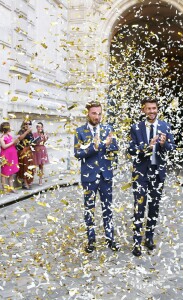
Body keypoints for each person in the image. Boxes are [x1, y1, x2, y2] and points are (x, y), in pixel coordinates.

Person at [128, 98, 175, 257]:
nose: (152, 111)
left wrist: (163, 144)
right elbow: (131, 150)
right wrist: (146, 147)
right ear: (143, 110)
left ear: (157, 109)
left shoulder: (165, 126)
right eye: (148, 108)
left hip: (157, 172)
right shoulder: (135, 127)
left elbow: (172, 147)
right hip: (141, 173)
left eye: (154, 108)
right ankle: (136, 242)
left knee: (154, 208)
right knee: (139, 208)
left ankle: (149, 238)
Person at [74, 101, 119, 253]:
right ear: (88, 113)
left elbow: (115, 148)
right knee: (89, 209)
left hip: (106, 175)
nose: (97, 116)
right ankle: (91, 240)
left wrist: (108, 145)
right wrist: (95, 147)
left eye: (99, 113)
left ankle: (110, 238)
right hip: (89, 177)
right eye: (94, 113)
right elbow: (78, 154)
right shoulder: (80, 131)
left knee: (108, 208)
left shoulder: (108, 129)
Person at [0, 122, 20, 193]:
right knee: (4, 172)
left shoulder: (9, 136)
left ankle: (11, 187)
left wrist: (16, 141)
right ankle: (4, 188)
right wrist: (13, 142)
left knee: (11, 172)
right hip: (5, 156)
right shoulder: (1, 137)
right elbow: (4, 146)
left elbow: (13, 143)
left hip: (12, 156)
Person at [16, 119, 34, 189]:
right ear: (23, 124)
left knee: (30, 167)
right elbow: (20, 138)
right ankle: (25, 182)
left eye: (29, 124)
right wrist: (27, 131)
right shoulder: (21, 131)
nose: (27, 125)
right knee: (24, 167)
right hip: (23, 151)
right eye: (26, 124)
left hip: (29, 151)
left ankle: (28, 181)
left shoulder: (30, 132)